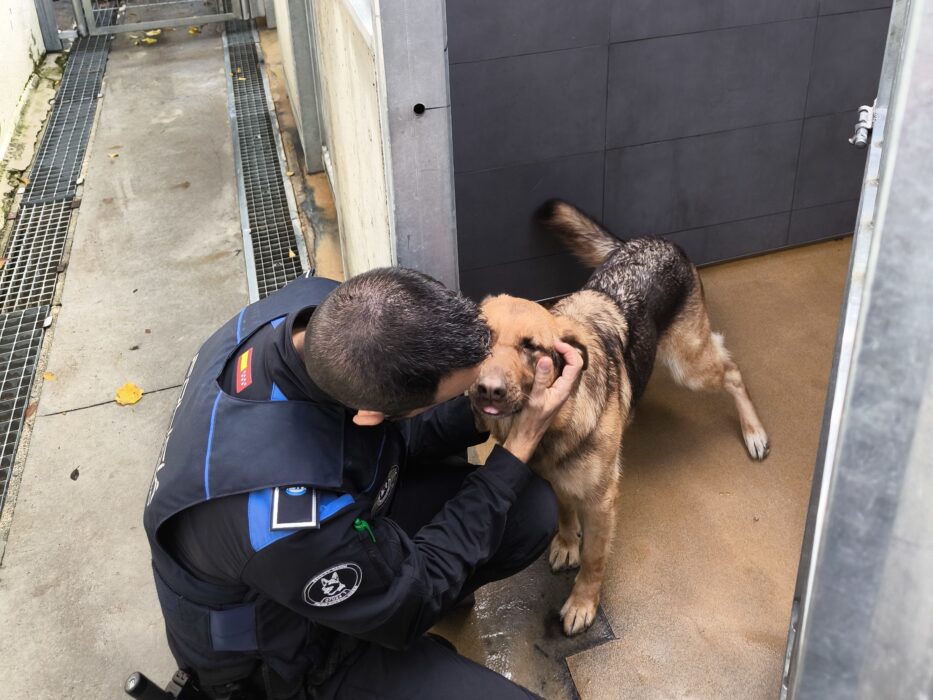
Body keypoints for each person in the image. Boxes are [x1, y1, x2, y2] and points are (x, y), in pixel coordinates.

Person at [143, 268, 583, 699]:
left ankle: (398, 628)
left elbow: (396, 437)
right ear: (370, 416)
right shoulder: (286, 518)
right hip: (288, 656)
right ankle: (379, 646)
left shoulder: (322, 310)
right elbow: (410, 596)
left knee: (526, 509)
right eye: (453, 397)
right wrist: (518, 446)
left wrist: (486, 412)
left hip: (326, 534)